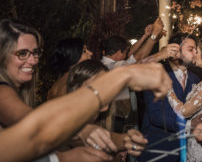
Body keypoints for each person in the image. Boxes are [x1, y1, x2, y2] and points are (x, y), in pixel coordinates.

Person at [0, 62, 172, 162]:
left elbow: (102, 136)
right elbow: (38, 135)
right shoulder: (61, 118)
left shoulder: (102, 119)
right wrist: (123, 75)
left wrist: (127, 139)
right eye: (99, 88)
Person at [0, 19, 110, 161]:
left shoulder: (19, 91)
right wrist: (78, 131)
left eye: (35, 53)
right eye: (22, 53)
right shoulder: (2, 90)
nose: (33, 61)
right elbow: (30, 122)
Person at [139, 32, 202, 162]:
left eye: (196, 49)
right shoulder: (157, 73)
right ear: (176, 52)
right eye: (191, 49)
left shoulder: (196, 78)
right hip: (159, 146)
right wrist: (188, 125)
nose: (196, 52)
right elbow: (156, 114)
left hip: (187, 149)